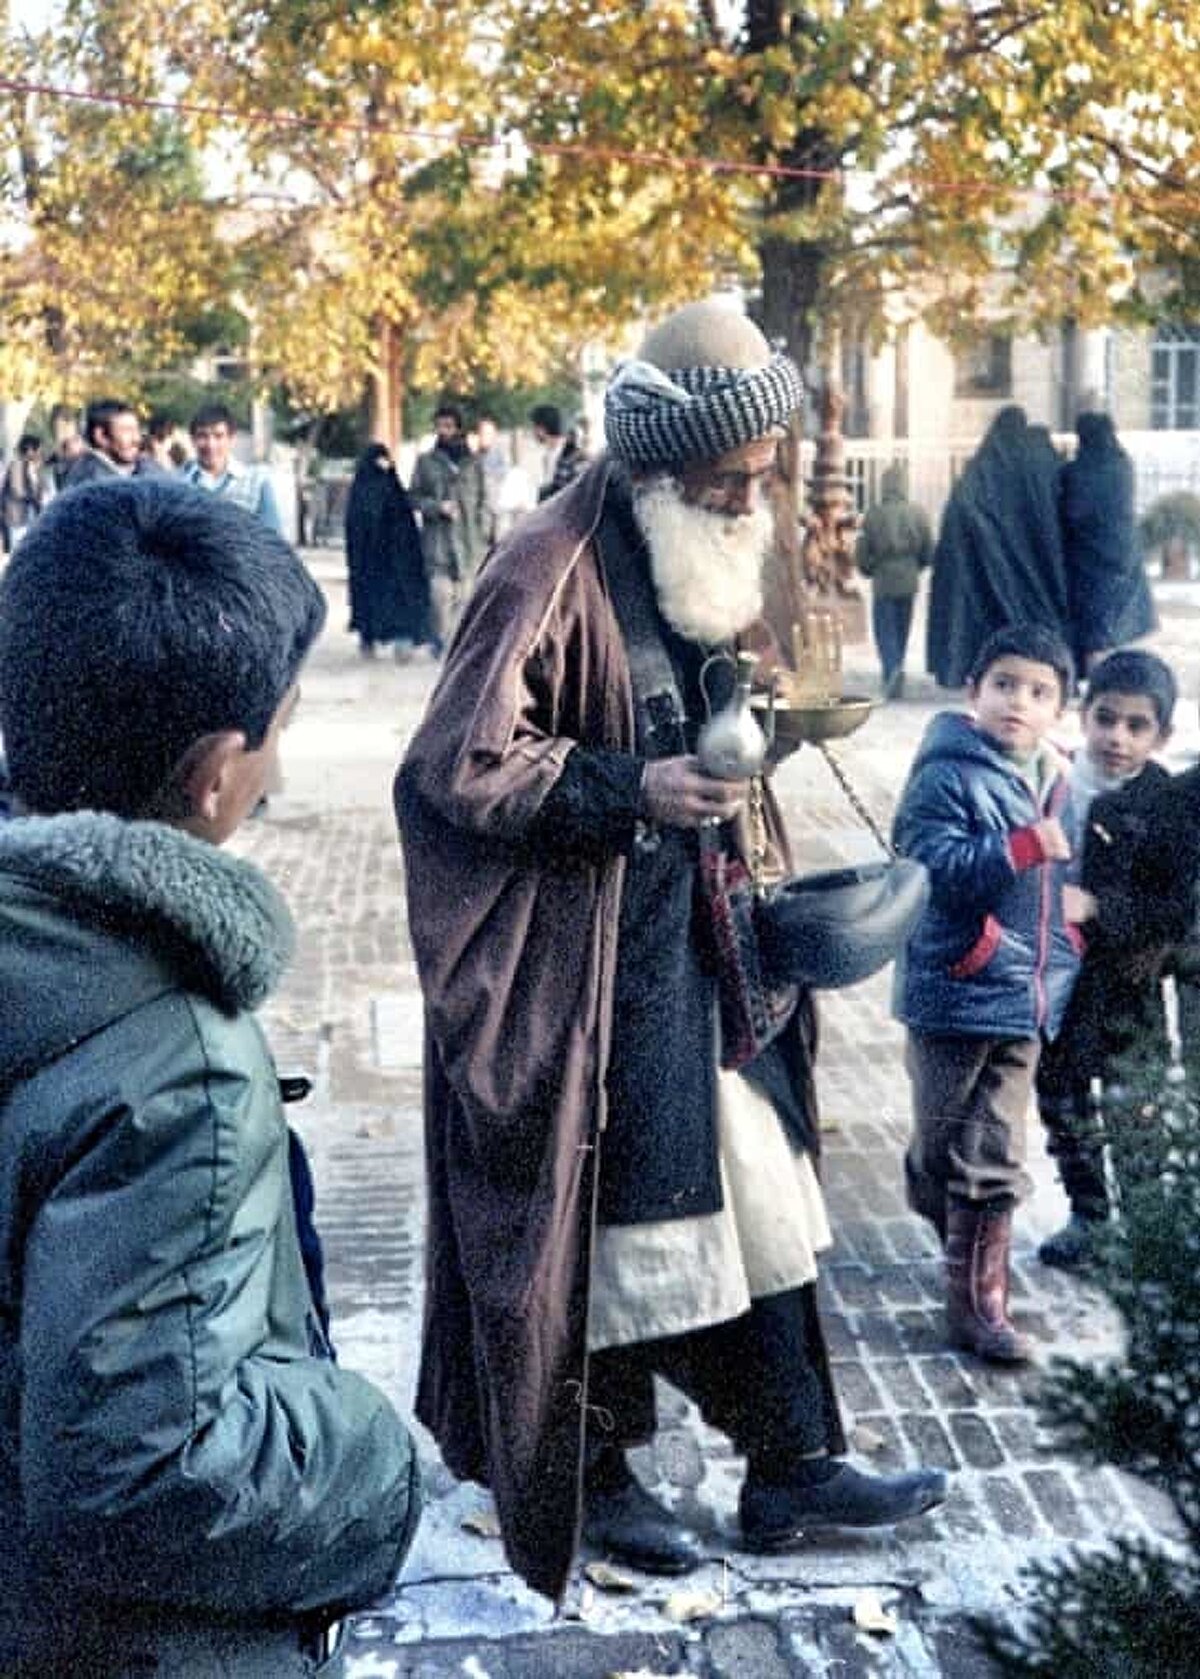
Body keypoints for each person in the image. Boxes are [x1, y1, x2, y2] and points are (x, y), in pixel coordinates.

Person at [396, 299, 947, 1605]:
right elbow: (455, 763)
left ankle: (793, 1457)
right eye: (733, 476)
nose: (755, 495)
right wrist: (624, 785)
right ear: (662, 467)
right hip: (583, 962)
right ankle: (592, 1467)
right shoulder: (547, 559)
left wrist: (783, 714)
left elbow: (723, 683)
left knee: (761, 1196)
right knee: (610, 1220)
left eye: (762, 470)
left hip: (708, 942)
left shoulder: (707, 541)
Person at [0, 480, 422, 1675]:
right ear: (213, 773)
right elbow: (142, 1469)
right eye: (279, 730)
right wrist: (370, 1456)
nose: (278, 766)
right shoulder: (172, 1059)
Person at [892, 623, 1080, 1363]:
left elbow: (1054, 879)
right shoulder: (948, 770)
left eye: (1039, 692)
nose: (1018, 702)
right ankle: (933, 1188)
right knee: (941, 1139)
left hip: (1025, 991)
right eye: (1004, 684)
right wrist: (1019, 847)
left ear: (1059, 707)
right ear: (973, 692)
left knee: (994, 1149)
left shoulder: (1056, 775)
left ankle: (978, 1303)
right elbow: (930, 864)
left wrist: (1071, 929)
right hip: (957, 983)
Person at [1035, 650, 1180, 1269]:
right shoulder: (1056, 784)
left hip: (1129, 981)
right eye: (1106, 719)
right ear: (1084, 716)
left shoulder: (1170, 804)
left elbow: (1177, 905)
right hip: (1062, 981)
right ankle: (1089, 1215)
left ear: (1162, 734)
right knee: (1062, 1098)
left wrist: (1100, 907)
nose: (1117, 738)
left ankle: (1147, 1223)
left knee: (1135, 1108)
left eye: (1136, 726)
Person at [926, 407, 1071, 689]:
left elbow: (958, 523)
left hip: (975, 571)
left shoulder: (976, 473)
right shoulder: (1030, 475)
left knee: (977, 621)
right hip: (1028, 571)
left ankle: (970, 672)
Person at [1062, 411, 1157, 676]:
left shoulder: (1078, 471)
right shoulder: (1122, 464)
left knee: (1093, 621)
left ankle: (1096, 677)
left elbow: (1075, 512)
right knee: (1115, 616)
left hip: (1089, 553)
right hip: (1122, 549)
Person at [409, 403, 488, 651]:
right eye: (440, 425)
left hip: (468, 542)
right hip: (438, 541)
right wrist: (436, 507)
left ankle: (456, 645)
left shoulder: (474, 464)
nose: (444, 431)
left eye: (449, 426)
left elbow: (483, 501)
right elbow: (413, 497)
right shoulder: (425, 462)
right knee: (439, 596)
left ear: (458, 428)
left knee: (466, 598)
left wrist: (484, 531)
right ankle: (441, 640)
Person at [345, 442, 432, 658]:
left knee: (394, 599)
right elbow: (355, 527)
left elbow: (406, 523)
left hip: (391, 560)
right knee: (375, 600)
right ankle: (370, 640)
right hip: (373, 561)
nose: (383, 465)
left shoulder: (391, 488)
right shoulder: (365, 489)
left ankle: (396, 640)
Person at [855, 462, 933, 700]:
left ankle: (891, 669)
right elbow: (928, 548)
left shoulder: (874, 514)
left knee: (884, 629)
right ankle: (897, 665)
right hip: (908, 577)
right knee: (902, 628)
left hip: (883, 578)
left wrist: (868, 569)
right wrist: (916, 566)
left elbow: (863, 549)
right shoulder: (918, 513)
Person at [179, 401, 283, 532]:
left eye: (218, 436)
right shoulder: (177, 484)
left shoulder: (256, 483)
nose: (211, 445)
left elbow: (274, 541)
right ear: (192, 440)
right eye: (202, 436)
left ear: (231, 438)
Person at [64, 398, 161, 486]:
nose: (136, 439)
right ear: (101, 436)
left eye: (137, 430)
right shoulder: (88, 484)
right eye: (126, 430)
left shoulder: (144, 467)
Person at [530, 401, 587, 502]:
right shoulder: (548, 455)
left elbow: (578, 492)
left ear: (541, 429)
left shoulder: (573, 455)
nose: (532, 431)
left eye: (534, 427)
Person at [1, 434, 48, 551]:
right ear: (29, 450)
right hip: (16, 517)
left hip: (30, 516)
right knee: (17, 550)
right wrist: (35, 498)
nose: (40, 452)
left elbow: (41, 489)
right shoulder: (16, 464)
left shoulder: (33, 466)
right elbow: (17, 490)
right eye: (38, 449)